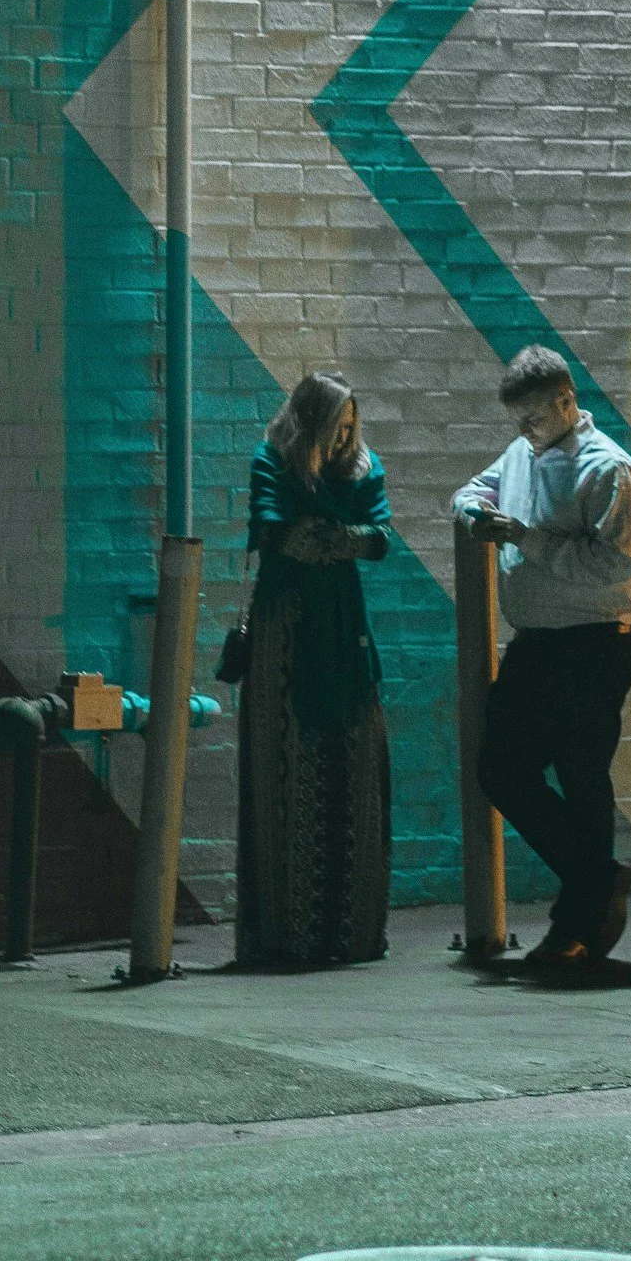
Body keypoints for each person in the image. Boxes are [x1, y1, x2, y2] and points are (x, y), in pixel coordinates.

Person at [451, 345, 631, 967]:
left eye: (535, 418)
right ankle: (596, 882)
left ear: (567, 403)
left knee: (582, 774)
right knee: (502, 769)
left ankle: (580, 926)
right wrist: (472, 509)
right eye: (518, 421)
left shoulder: (611, 470)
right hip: (538, 642)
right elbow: (475, 488)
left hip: (595, 643)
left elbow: (612, 566)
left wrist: (524, 539)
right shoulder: (522, 453)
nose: (525, 432)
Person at [235, 370, 394, 967]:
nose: (345, 438)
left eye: (352, 426)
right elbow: (277, 532)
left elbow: (379, 537)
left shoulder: (362, 465)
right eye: (335, 426)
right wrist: (339, 538)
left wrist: (329, 537)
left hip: (342, 627)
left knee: (354, 762)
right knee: (288, 761)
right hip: (289, 626)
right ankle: (292, 931)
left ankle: (350, 930)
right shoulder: (272, 459)